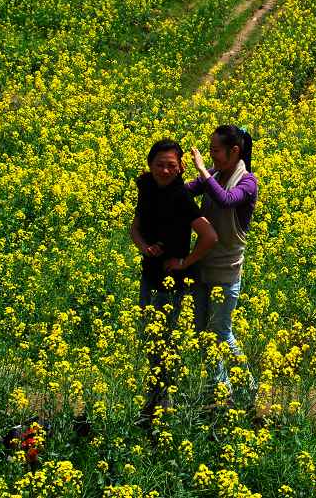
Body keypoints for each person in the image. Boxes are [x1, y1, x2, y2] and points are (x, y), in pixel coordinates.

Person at [130, 139, 217, 422]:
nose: (165, 170)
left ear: (180, 167)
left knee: (164, 340)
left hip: (173, 281)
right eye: (159, 164)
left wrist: (184, 263)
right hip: (149, 274)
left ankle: (162, 403)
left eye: (171, 165)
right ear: (150, 165)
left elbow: (209, 237)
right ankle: (156, 400)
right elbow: (135, 228)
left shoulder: (181, 197)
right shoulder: (145, 187)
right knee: (150, 338)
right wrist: (144, 247)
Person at [186, 125, 258, 399]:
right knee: (203, 336)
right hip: (201, 267)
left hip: (226, 273)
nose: (212, 156)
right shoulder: (214, 175)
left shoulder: (247, 182)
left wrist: (203, 171)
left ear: (234, 151)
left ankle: (249, 391)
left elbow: (227, 200)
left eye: (215, 151)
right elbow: (184, 193)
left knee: (221, 333)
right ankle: (220, 391)